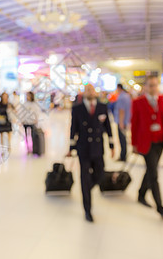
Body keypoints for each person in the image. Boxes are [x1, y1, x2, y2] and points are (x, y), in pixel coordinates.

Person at [131, 76, 163, 220]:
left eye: (155, 85)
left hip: (160, 142)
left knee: (150, 169)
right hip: (146, 143)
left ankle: (141, 194)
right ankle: (160, 208)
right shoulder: (138, 102)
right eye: (150, 85)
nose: (153, 88)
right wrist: (134, 144)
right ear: (146, 87)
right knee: (154, 174)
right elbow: (134, 124)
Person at [68, 84, 115, 223]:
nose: (90, 92)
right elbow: (73, 128)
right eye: (87, 90)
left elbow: (108, 127)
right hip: (83, 148)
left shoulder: (102, 107)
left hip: (98, 148)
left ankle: (87, 189)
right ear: (84, 93)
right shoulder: (77, 109)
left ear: (95, 92)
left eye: (92, 89)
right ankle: (87, 210)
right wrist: (70, 148)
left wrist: (112, 145)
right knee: (84, 177)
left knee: (100, 174)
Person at [113, 84, 132, 162]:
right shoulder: (127, 96)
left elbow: (121, 110)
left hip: (122, 121)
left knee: (122, 139)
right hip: (126, 121)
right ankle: (124, 154)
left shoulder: (121, 97)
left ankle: (123, 156)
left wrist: (121, 122)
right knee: (123, 139)